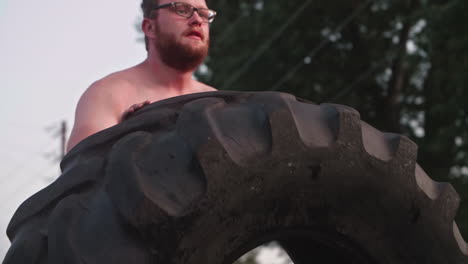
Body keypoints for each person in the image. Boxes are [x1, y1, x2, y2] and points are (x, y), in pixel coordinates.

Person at [66, 0, 217, 152]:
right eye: (182, 10)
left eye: (204, 14)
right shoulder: (107, 95)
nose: (197, 20)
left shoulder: (217, 102)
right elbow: (83, 169)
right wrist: (123, 138)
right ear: (150, 27)